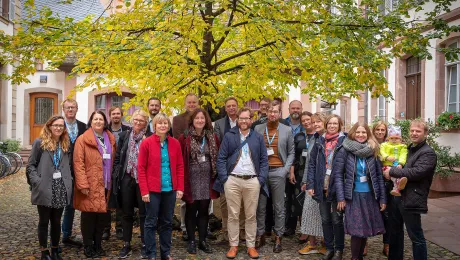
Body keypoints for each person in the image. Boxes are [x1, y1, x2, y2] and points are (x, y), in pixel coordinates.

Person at [214, 107, 269, 259]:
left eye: (247, 118)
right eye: (241, 118)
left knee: (251, 215)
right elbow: (221, 158)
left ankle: (251, 245)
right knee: (233, 215)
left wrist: (260, 180)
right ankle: (234, 245)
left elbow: (264, 160)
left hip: (252, 180)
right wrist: (225, 179)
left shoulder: (257, 137)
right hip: (233, 180)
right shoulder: (229, 136)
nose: (244, 121)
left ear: (251, 120)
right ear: (237, 119)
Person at [383, 119, 437, 260]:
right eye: (412, 130)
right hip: (397, 196)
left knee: (415, 236)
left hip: (412, 197)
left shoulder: (428, 153)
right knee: (395, 233)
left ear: (425, 133)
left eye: (418, 131)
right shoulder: (408, 149)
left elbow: (417, 172)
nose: (414, 133)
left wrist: (392, 171)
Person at [334, 122, 387, 260]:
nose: (360, 135)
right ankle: (355, 258)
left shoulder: (373, 150)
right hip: (352, 196)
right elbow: (338, 175)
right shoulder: (344, 150)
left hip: (370, 196)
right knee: (357, 231)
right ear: (352, 133)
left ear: (368, 134)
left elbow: (379, 177)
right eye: (358, 132)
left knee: (364, 231)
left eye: (364, 132)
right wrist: (341, 198)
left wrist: (382, 199)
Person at [138, 113, 184, 260]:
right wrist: (144, 190)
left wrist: (180, 187)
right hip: (152, 191)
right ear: (154, 125)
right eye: (160, 123)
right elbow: (141, 168)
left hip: (169, 189)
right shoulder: (147, 143)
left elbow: (179, 166)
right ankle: (151, 253)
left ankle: (165, 252)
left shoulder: (175, 143)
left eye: (165, 123)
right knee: (151, 222)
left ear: (168, 126)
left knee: (167, 222)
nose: (163, 125)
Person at [26, 115, 73, 260]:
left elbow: (69, 165)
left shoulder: (65, 143)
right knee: (44, 221)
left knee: (57, 221)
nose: (58, 128)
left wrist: (69, 180)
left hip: (61, 187)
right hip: (45, 186)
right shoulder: (39, 143)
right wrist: (37, 182)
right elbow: (30, 165)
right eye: (56, 125)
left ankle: (54, 250)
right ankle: (44, 251)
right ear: (49, 126)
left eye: (61, 125)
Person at [73, 111, 116, 258]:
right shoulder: (82, 139)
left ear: (105, 122)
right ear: (91, 122)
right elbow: (78, 164)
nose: (98, 121)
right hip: (90, 184)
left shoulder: (110, 138)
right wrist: (82, 184)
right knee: (89, 216)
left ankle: (98, 244)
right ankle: (88, 245)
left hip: (106, 184)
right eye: (95, 119)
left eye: (101, 119)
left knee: (102, 217)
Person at [254, 101, 295, 253]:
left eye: (275, 111)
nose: (272, 114)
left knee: (279, 207)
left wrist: (285, 170)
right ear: (266, 112)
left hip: (278, 171)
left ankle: (278, 236)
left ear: (279, 114)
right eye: (270, 111)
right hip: (262, 172)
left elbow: (291, 152)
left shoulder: (287, 130)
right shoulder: (258, 129)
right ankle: (260, 234)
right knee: (261, 206)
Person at [178, 108, 220, 254]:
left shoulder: (212, 136)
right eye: (197, 118)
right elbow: (180, 160)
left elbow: (217, 156)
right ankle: (191, 241)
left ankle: (202, 241)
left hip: (207, 179)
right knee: (191, 210)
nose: (200, 121)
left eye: (202, 118)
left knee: (204, 211)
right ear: (192, 120)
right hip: (191, 180)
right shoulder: (184, 137)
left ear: (206, 120)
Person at [306, 114, 346, 260]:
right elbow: (311, 164)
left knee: (337, 219)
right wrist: (310, 184)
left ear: (340, 125)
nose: (332, 126)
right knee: (325, 219)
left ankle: (339, 249)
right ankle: (329, 248)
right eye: (330, 123)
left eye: (335, 123)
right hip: (321, 184)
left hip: (336, 186)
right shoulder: (319, 141)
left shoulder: (344, 141)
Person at [113, 109, 152, 258]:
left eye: (141, 121)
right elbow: (118, 157)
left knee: (144, 213)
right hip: (127, 177)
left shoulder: (149, 137)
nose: (137, 123)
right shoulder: (125, 135)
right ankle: (126, 243)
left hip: (143, 179)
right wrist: (117, 173)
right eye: (135, 120)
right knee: (126, 212)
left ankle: (144, 243)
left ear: (145, 123)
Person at [213, 97, 245, 242]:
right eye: (229, 106)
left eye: (234, 105)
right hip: (225, 167)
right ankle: (226, 230)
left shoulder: (244, 121)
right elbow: (218, 144)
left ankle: (242, 231)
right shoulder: (219, 124)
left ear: (238, 107)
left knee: (242, 201)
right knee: (225, 201)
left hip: (242, 166)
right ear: (225, 108)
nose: (232, 108)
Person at [298, 112, 326, 255]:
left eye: (319, 122)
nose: (316, 124)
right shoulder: (314, 139)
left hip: (325, 182)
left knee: (325, 215)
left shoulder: (328, 139)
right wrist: (305, 181)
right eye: (314, 122)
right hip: (311, 182)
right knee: (309, 212)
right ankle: (312, 243)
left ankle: (326, 244)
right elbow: (309, 162)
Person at [172, 93, 199, 241]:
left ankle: (203, 227)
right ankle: (184, 227)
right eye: (189, 102)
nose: (192, 105)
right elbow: (179, 139)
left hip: (202, 165)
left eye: (194, 102)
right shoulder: (177, 119)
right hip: (185, 161)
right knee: (185, 199)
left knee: (203, 200)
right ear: (185, 103)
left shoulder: (204, 117)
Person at [61, 99, 86, 248]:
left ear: (77, 109)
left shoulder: (83, 126)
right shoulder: (57, 125)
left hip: (78, 171)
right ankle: (56, 236)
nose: (70, 110)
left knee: (72, 205)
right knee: (58, 205)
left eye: (73, 107)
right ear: (63, 110)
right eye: (68, 107)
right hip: (61, 171)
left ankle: (66, 235)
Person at [104, 106, 131, 241]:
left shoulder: (127, 131)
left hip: (121, 168)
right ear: (110, 116)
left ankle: (119, 228)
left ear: (121, 115)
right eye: (113, 114)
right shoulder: (105, 130)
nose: (116, 116)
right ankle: (106, 228)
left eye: (118, 113)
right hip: (106, 167)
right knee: (107, 197)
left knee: (121, 197)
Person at [284, 100, 304, 237]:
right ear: (289, 109)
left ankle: (305, 229)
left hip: (302, 166)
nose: (295, 110)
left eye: (298, 108)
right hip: (284, 165)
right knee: (288, 197)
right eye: (293, 108)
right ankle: (289, 227)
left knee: (301, 197)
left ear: (301, 109)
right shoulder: (282, 124)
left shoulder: (307, 123)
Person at [372, 120, 390, 256]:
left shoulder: (391, 144)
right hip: (372, 183)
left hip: (387, 182)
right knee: (368, 213)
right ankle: (364, 243)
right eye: (377, 129)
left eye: (382, 130)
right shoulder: (369, 144)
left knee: (388, 215)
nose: (379, 132)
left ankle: (387, 244)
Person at [381, 125, 408, 196]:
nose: (394, 140)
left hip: (396, 165)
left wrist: (401, 163)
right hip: (386, 165)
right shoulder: (384, 145)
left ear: (400, 139)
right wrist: (386, 157)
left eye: (396, 138)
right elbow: (382, 152)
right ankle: (397, 185)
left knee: (396, 174)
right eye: (391, 138)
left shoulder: (403, 146)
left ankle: (396, 188)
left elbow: (403, 155)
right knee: (392, 175)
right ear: (388, 139)